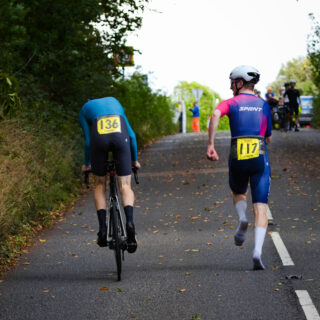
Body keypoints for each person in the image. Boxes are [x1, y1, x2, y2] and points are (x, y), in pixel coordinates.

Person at [207, 65, 272, 270]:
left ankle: (242, 218)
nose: (230, 85)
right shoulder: (263, 104)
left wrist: (210, 144)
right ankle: (257, 252)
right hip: (259, 154)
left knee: (238, 191)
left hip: (237, 153)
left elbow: (216, 115)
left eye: (232, 81)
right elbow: (268, 137)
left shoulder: (231, 102)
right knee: (261, 206)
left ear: (240, 82)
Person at [79, 97, 141, 253]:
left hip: (99, 140)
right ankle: (130, 224)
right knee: (125, 185)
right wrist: (134, 161)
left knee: (100, 184)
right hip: (121, 138)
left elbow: (88, 142)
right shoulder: (115, 103)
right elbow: (132, 136)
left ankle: (102, 229)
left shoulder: (85, 109)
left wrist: (87, 164)